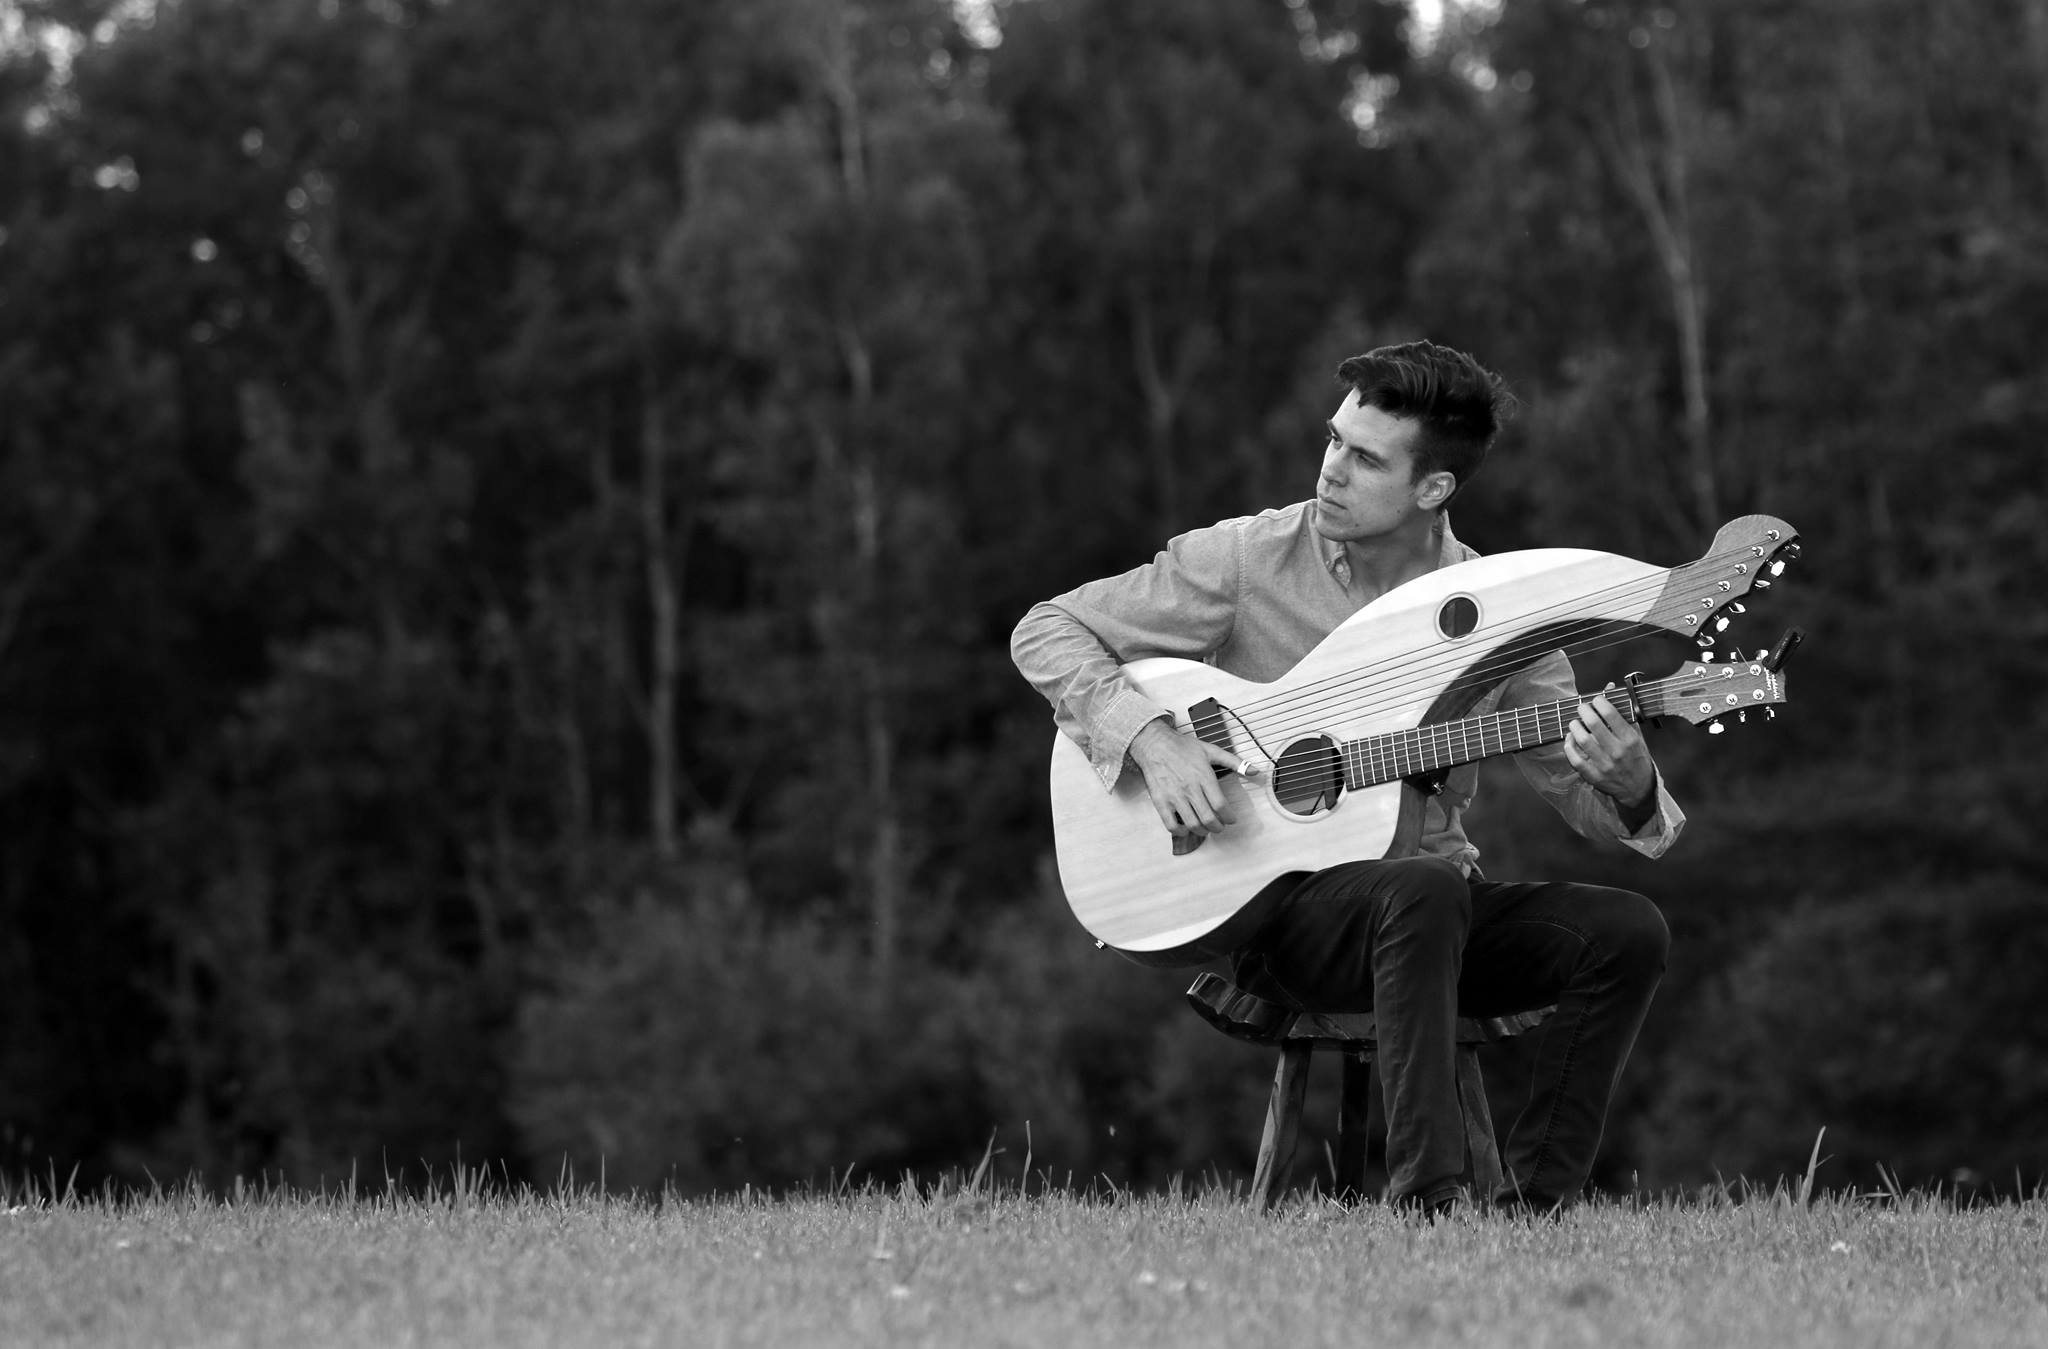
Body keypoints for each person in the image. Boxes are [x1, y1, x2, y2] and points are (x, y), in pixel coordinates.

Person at [1010, 340, 1682, 1216]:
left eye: (1364, 459)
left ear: (1433, 489)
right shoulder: (1252, 558)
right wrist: (1149, 739)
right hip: (1278, 914)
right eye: (1334, 441)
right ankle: (1430, 1202)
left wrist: (1631, 784)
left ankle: (1534, 1208)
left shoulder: (1500, 611)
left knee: (1626, 929)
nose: (1330, 469)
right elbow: (1047, 629)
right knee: (1424, 889)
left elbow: (1587, 797)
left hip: (1432, 916)